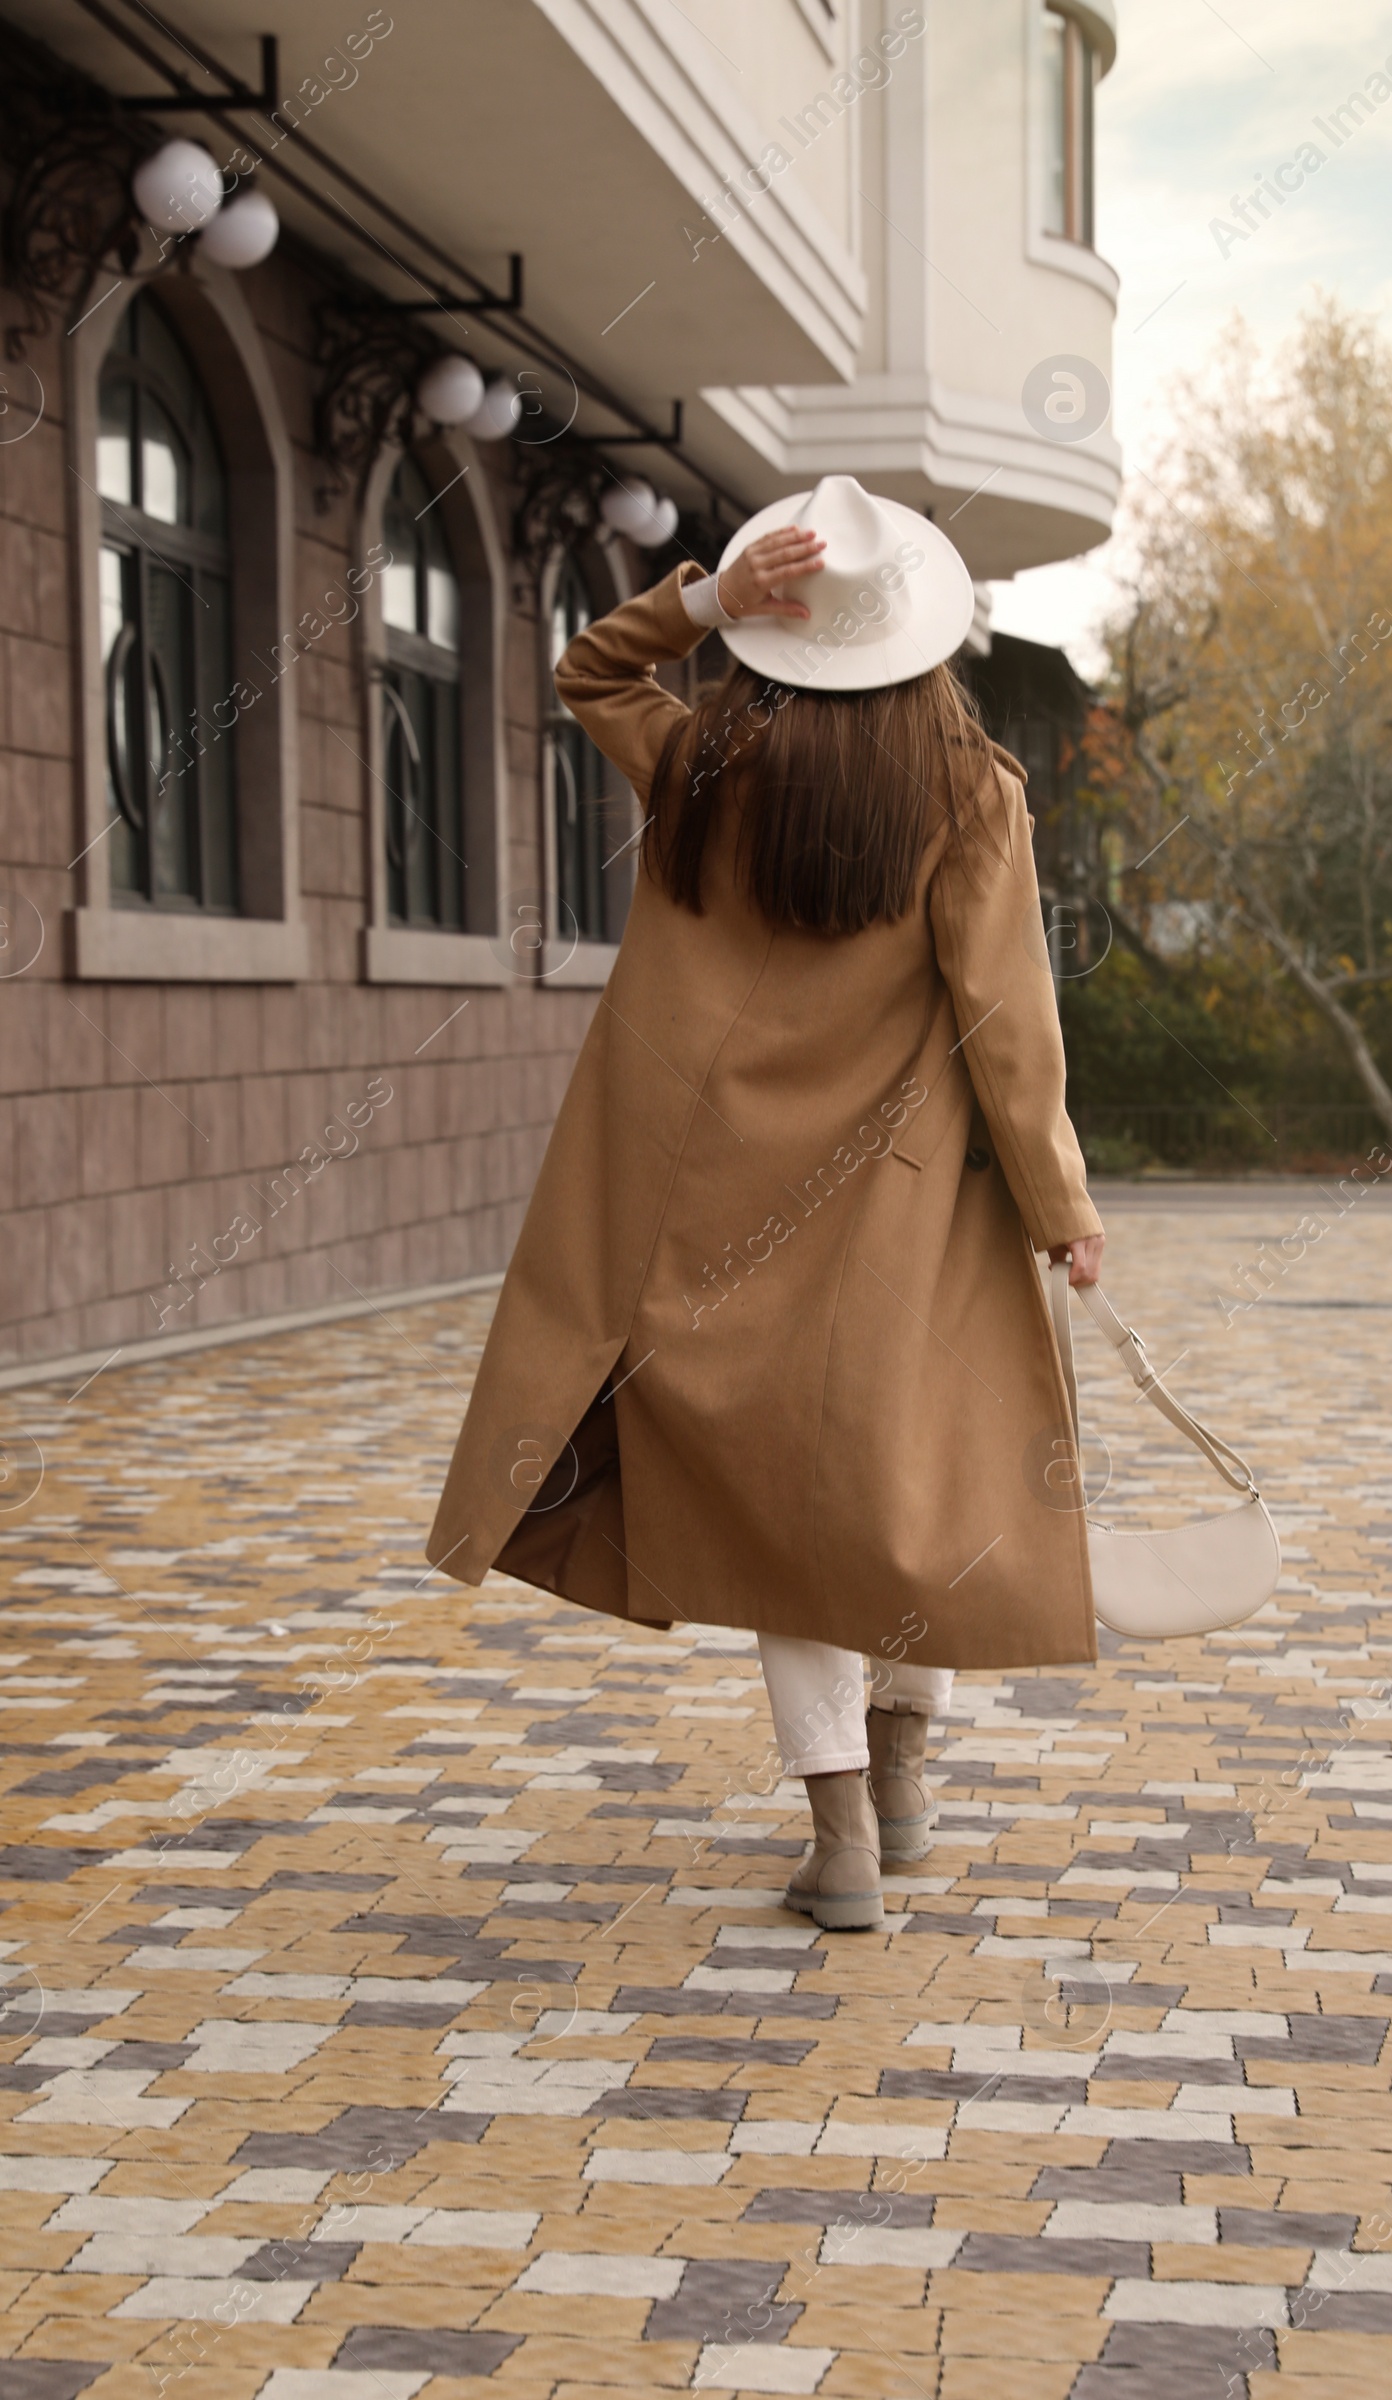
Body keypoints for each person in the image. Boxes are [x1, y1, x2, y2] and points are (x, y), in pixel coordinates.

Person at [427, 475, 1104, 1932]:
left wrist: (705, 604)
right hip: (906, 1216)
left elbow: (585, 668)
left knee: (785, 1521)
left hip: (714, 1211)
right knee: (897, 1488)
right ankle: (908, 1784)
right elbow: (1007, 1017)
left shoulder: (700, 768)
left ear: (780, 632)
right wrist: (1059, 1203)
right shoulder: (973, 792)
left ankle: (844, 1834)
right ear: (921, 636)